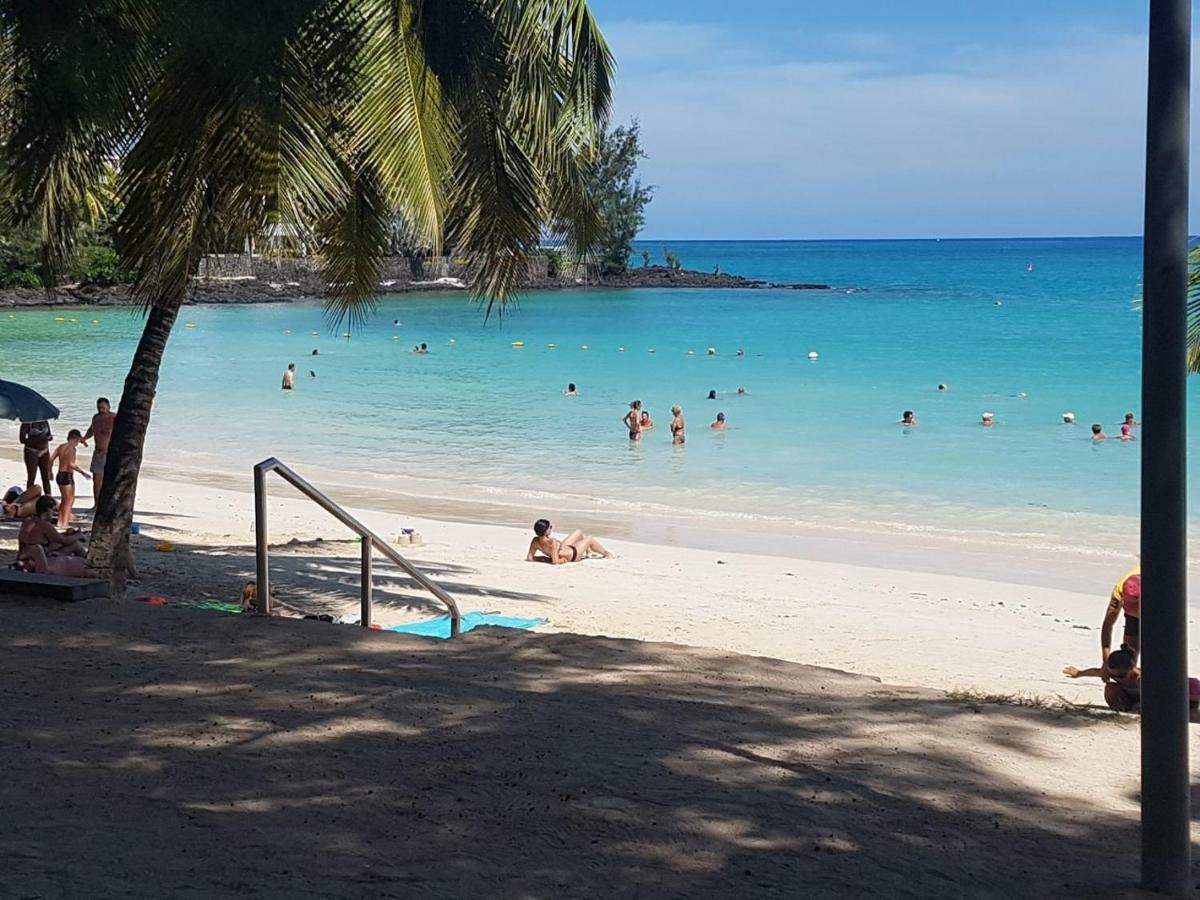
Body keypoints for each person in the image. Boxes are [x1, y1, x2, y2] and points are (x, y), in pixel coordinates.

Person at [16, 496, 94, 577]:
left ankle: (89, 563)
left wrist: (69, 534)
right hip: (38, 560)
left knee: (74, 544)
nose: (53, 513)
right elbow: (63, 540)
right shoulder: (44, 525)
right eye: (53, 510)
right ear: (48, 510)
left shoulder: (28, 520)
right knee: (75, 545)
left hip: (26, 556)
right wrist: (79, 535)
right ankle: (91, 565)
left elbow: (55, 537)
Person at [1063, 648, 1141, 713]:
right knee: (1110, 687)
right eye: (1113, 675)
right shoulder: (1114, 673)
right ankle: (1122, 708)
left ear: (1131, 670)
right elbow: (1095, 672)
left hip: (1142, 699)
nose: (1116, 677)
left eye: (1120, 676)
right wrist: (1079, 673)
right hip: (1126, 697)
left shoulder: (1139, 678)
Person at [526, 519, 613, 564]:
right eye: (550, 527)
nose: (551, 529)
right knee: (590, 538)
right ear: (545, 531)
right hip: (574, 555)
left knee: (578, 532)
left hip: (566, 548)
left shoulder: (535, 541)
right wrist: (563, 560)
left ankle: (589, 551)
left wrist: (543, 558)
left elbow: (530, 558)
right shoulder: (552, 542)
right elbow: (555, 562)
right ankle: (607, 554)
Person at [51, 429, 91, 528]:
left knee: (64, 500)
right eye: (77, 441)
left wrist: (49, 472)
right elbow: (71, 464)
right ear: (75, 439)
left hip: (59, 474)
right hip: (67, 476)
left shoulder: (61, 447)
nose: (78, 443)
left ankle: (60, 521)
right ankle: (64, 523)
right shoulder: (72, 448)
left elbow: (51, 459)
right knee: (69, 500)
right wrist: (83, 473)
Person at [1101, 568, 1141, 663]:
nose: (1131, 609)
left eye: (1134, 606)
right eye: (1128, 604)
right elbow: (1108, 625)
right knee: (1130, 650)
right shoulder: (1118, 595)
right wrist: (1106, 661)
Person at [83, 397, 115, 509]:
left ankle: (109, 505)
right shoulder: (96, 418)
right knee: (96, 480)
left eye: (104, 408)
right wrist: (85, 438)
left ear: (109, 407)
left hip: (111, 453)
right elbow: (91, 430)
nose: (101, 410)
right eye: (99, 408)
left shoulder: (114, 418)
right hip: (98, 453)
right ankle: (97, 504)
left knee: (111, 480)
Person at [20, 419, 53, 494]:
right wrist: (36, 439)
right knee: (31, 477)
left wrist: (49, 438)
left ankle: (48, 498)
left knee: (46, 477)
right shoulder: (27, 422)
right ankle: (29, 498)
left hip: (45, 451)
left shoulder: (45, 421)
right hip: (31, 451)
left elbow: (49, 435)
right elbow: (22, 440)